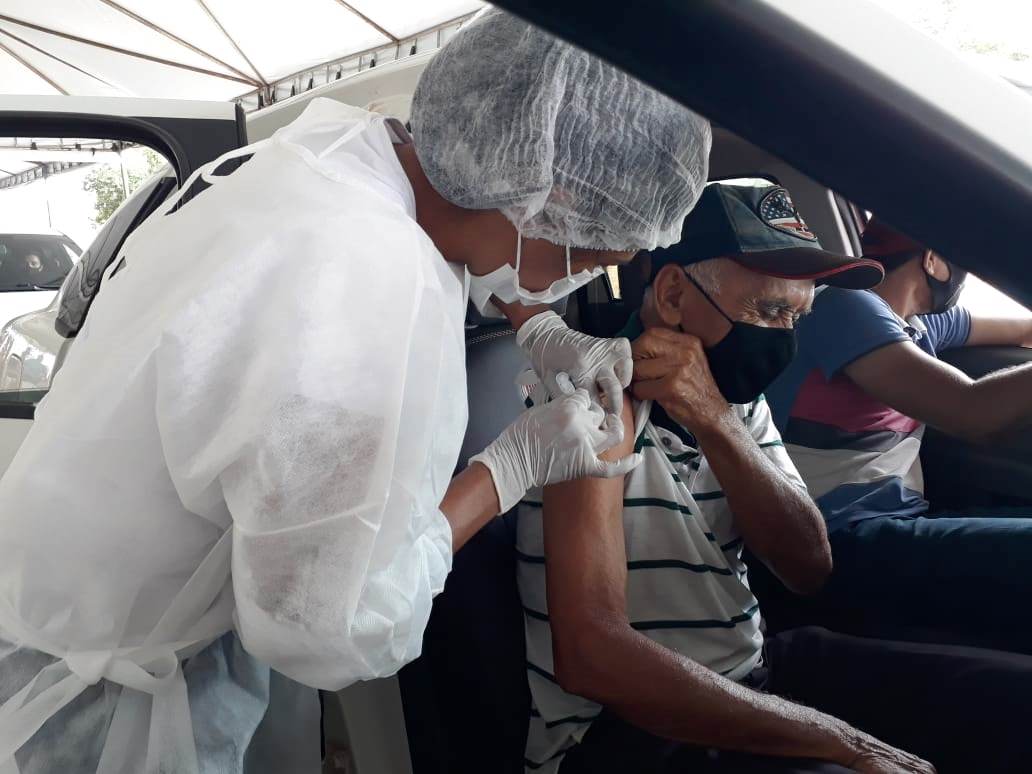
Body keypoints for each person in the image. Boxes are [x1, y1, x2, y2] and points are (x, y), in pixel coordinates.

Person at [0, 10, 713, 774]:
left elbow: (469, 225)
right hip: (101, 705)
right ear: (547, 201)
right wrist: (511, 467)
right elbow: (327, 628)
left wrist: (534, 322)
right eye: (592, 259)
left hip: (61, 599)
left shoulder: (338, 151)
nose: (576, 281)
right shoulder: (365, 284)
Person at [516, 183, 1032, 774]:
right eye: (767, 311)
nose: (783, 336)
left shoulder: (736, 404)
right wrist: (838, 740)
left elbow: (807, 567)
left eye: (795, 316)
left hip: (755, 671)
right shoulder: (591, 403)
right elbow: (594, 658)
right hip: (631, 737)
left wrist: (715, 420)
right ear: (675, 294)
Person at [762, 217, 1032, 651]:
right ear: (932, 259)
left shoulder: (919, 323)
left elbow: (1023, 329)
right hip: (835, 539)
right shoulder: (844, 305)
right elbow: (972, 412)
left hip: (894, 523)